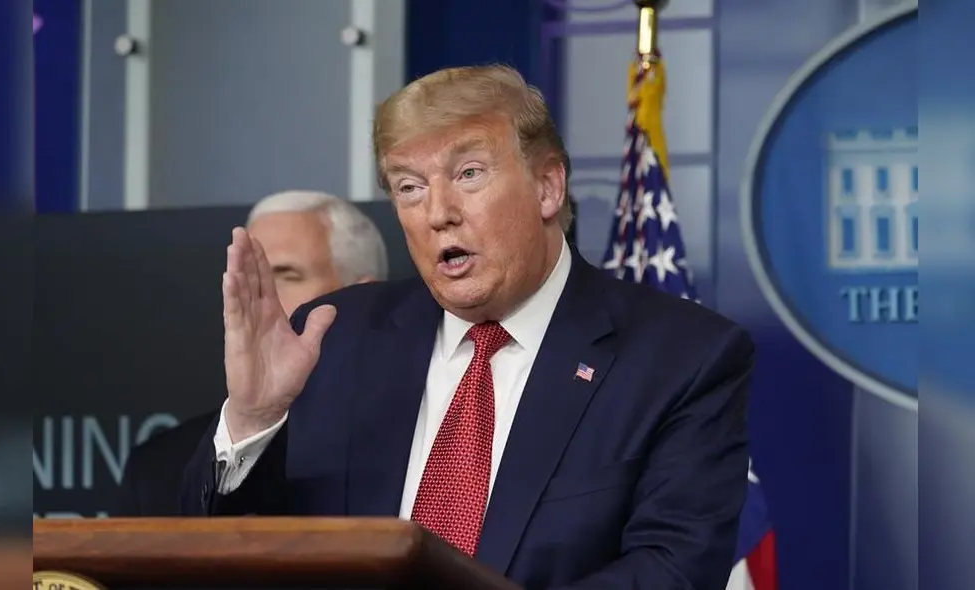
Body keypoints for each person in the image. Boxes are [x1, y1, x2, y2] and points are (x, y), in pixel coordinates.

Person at [181, 65, 755, 590]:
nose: (438, 212)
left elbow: (673, 570)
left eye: (469, 173)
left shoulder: (680, 357)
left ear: (547, 187)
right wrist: (253, 420)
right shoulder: (333, 338)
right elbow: (226, 556)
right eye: (409, 187)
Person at [115, 191, 388, 516]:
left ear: (362, 297)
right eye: (250, 276)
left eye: (287, 275)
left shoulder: (418, 446)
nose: (257, 293)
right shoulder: (158, 470)